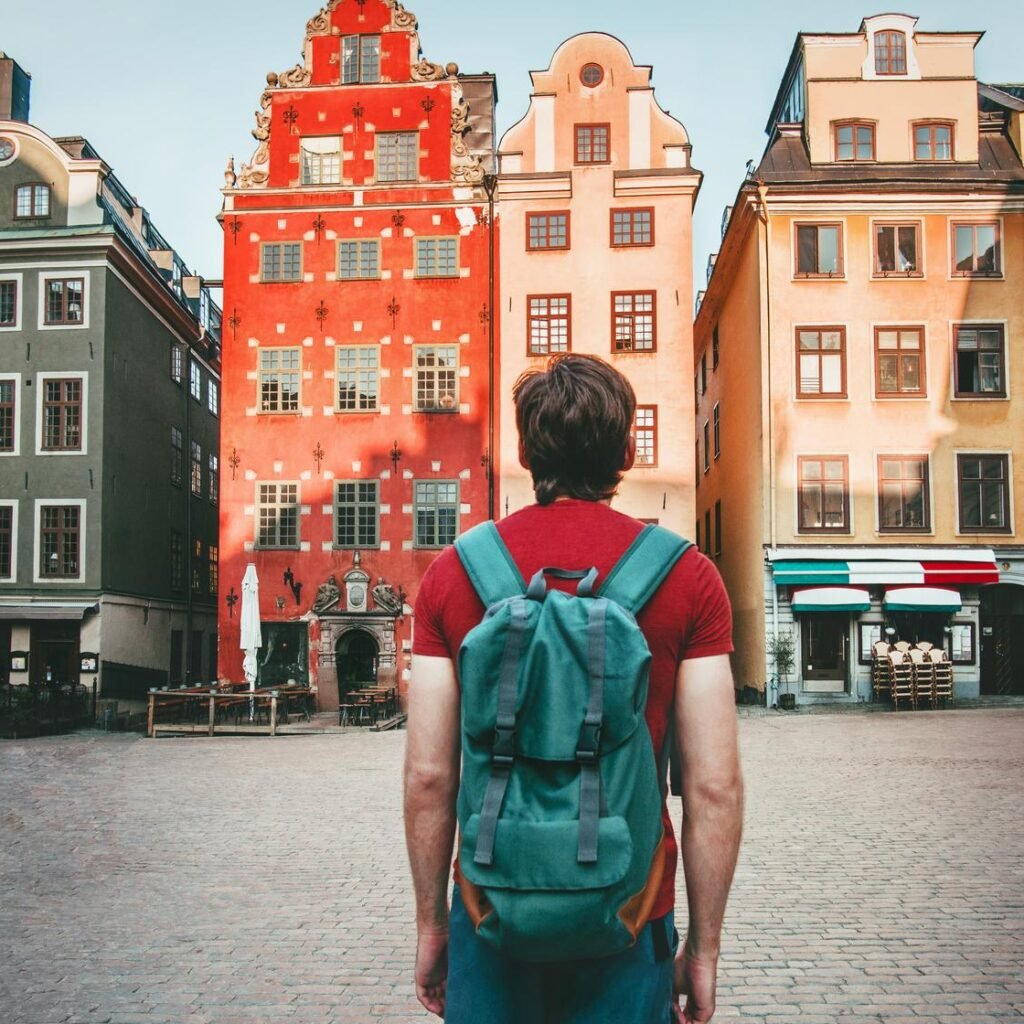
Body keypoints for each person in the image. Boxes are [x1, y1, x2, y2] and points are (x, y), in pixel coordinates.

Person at [404, 353, 744, 1023]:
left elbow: (428, 778)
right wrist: (702, 952)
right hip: (628, 910)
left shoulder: (453, 575)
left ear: (526, 451)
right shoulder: (687, 577)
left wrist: (432, 928)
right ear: (628, 449)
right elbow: (713, 788)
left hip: (491, 908)